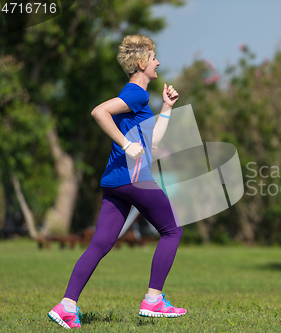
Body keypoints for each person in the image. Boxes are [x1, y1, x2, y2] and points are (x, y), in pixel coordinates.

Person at [47, 34, 185, 329]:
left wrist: (167, 108)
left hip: (115, 180)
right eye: (154, 57)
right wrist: (125, 143)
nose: (158, 62)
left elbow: (151, 142)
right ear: (141, 62)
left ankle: (67, 306)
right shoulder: (136, 93)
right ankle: (153, 300)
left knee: (100, 243)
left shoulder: (137, 97)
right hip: (133, 177)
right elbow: (99, 111)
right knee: (172, 231)